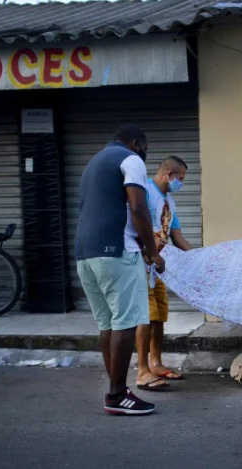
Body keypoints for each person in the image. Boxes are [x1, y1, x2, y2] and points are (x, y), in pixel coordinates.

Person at [75, 125, 165, 416]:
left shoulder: (94, 162)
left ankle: (117, 391)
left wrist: (139, 239)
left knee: (108, 325)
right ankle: (116, 395)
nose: (145, 156)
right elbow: (138, 209)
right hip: (116, 252)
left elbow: (111, 211)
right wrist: (152, 252)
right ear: (136, 143)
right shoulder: (130, 159)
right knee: (126, 322)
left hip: (85, 254)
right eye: (146, 150)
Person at [136, 156, 193, 391]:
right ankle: (142, 371)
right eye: (180, 178)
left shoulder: (169, 201)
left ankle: (156, 363)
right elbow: (135, 222)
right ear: (169, 174)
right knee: (145, 316)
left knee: (158, 316)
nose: (181, 183)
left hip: (158, 265)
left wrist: (202, 257)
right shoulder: (144, 192)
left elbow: (176, 236)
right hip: (141, 262)